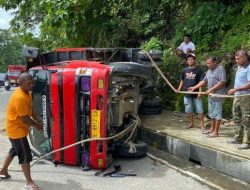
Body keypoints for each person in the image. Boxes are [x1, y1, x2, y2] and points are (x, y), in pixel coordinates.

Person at [0, 73, 43, 190]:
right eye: (29, 83)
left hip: (20, 128)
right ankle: (29, 182)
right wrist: (37, 125)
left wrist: (37, 118)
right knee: (25, 155)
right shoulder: (19, 97)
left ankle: (3, 171)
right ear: (21, 83)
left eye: (32, 82)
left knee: (14, 150)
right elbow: (24, 118)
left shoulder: (27, 92)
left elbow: (30, 108)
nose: (32, 85)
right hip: (16, 130)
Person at [189, 57, 226, 137]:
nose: (207, 65)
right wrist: (194, 87)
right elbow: (204, 81)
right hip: (210, 96)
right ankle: (212, 129)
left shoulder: (220, 68)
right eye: (207, 63)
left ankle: (216, 132)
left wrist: (211, 89)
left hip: (217, 95)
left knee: (217, 114)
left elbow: (222, 82)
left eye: (209, 63)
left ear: (215, 62)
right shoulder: (209, 71)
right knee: (212, 113)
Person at [227, 50, 250, 149]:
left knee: (246, 119)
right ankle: (238, 137)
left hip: (245, 96)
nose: (236, 61)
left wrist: (236, 89)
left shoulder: (249, 67)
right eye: (235, 59)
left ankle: (247, 141)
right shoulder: (240, 67)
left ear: (245, 57)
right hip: (237, 96)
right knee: (236, 117)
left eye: (238, 58)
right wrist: (235, 91)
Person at [177, 53, 205, 131]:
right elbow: (182, 80)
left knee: (200, 109)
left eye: (192, 59)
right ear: (187, 61)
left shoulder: (199, 70)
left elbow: (201, 82)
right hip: (187, 93)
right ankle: (191, 123)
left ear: (195, 60)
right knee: (189, 109)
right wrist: (178, 89)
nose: (190, 60)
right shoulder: (184, 70)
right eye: (189, 59)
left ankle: (202, 125)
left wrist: (200, 92)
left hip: (196, 93)